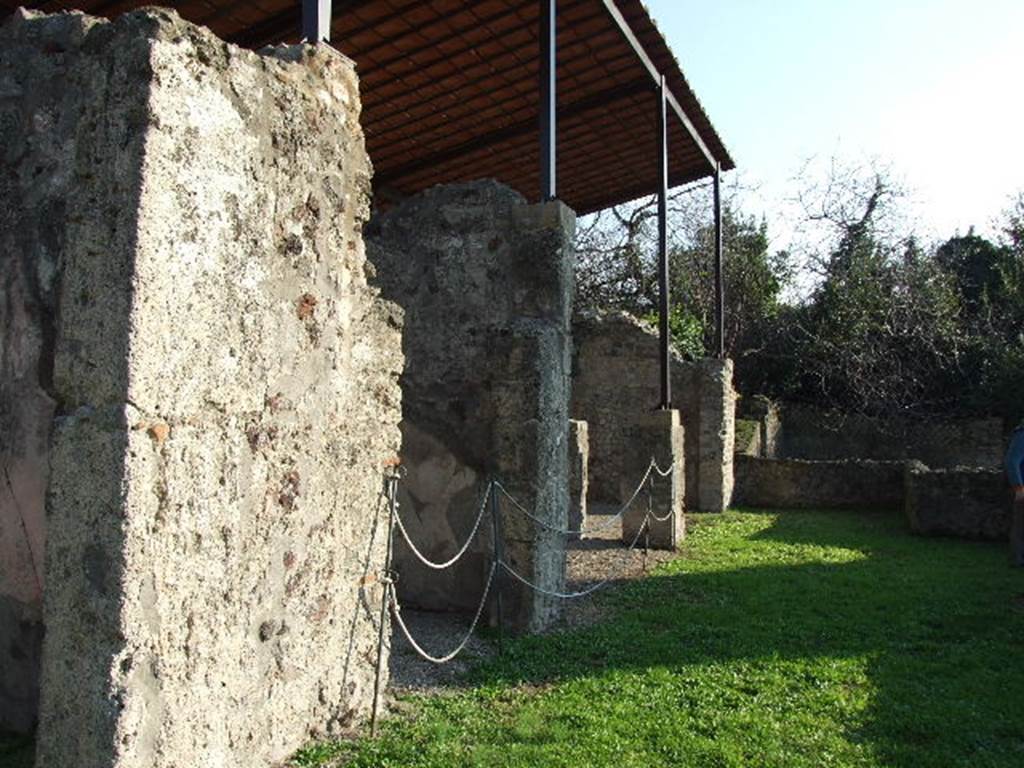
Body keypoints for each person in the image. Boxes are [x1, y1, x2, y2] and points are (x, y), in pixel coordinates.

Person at [1007, 423, 1024, 566]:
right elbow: (1012, 461)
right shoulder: (1022, 434)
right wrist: (1019, 487)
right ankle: (1018, 559)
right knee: (1021, 527)